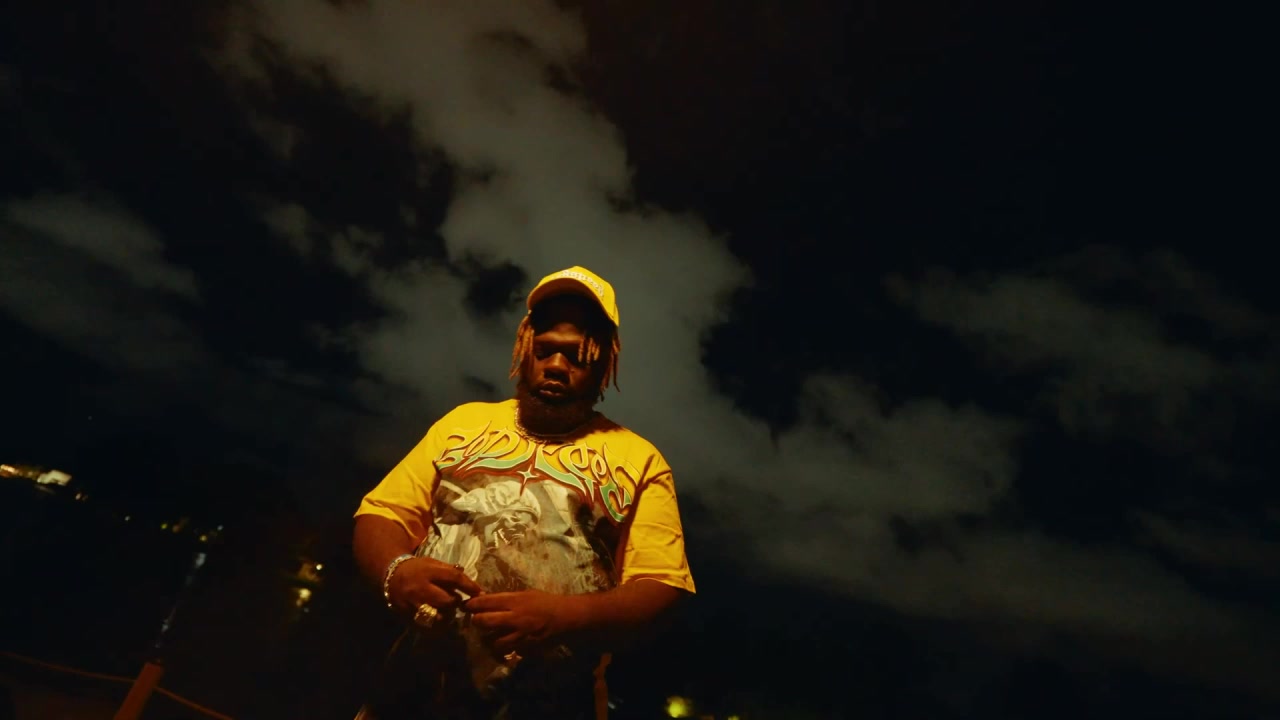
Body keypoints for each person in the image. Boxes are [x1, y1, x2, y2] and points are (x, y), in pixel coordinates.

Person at [351, 266, 696, 720]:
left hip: (550, 704)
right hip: (413, 694)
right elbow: (383, 513)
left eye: (577, 355)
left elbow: (662, 584)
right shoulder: (462, 424)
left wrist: (564, 618)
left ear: (604, 363)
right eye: (545, 349)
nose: (556, 365)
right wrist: (397, 571)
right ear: (525, 347)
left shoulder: (640, 459)